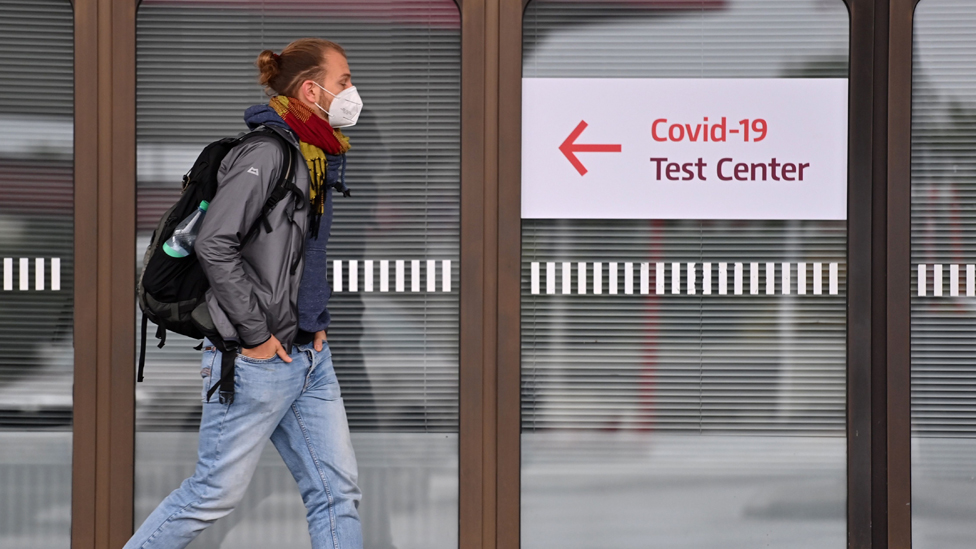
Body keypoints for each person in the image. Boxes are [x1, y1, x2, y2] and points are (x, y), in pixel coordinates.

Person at [124, 38, 364, 549]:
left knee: (336, 493)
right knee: (212, 495)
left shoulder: (313, 153)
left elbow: (299, 255)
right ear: (310, 88)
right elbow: (215, 242)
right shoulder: (266, 151)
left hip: (307, 355)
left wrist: (314, 319)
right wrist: (254, 336)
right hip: (258, 357)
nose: (352, 92)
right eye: (344, 81)